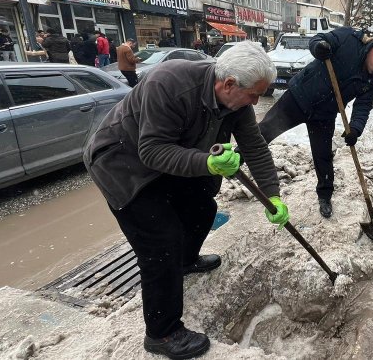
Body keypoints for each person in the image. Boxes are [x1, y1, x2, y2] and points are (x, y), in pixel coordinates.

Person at [83, 41, 288, 359]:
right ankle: (161, 333)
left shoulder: (238, 103)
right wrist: (208, 163)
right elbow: (152, 150)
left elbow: (255, 147)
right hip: (122, 162)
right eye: (253, 95)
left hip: (168, 157)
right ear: (229, 84)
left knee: (202, 207)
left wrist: (273, 195)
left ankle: (185, 261)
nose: (256, 101)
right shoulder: (169, 83)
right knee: (160, 242)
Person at [258, 27, 373, 218]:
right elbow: (318, 39)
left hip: (325, 114)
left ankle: (325, 196)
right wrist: (319, 47)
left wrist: (355, 129)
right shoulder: (349, 39)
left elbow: (363, 106)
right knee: (265, 131)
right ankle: (239, 158)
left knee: (323, 156)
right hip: (299, 97)